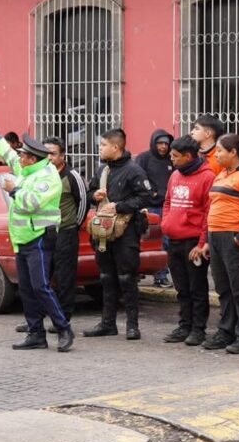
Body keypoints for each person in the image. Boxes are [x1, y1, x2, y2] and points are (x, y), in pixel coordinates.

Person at [0, 119, 73, 353]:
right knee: (27, 289)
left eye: (23, 156)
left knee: (41, 287)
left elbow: (32, 203)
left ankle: (64, 328)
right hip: (22, 238)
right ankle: (36, 333)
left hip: (39, 237)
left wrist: (15, 190)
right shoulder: (29, 170)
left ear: (32, 159)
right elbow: (9, 156)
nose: (18, 158)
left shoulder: (48, 176)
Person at [82, 128, 154, 341]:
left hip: (127, 232)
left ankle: (132, 326)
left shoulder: (134, 170)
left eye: (103, 145)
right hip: (104, 231)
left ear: (116, 147)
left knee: (126, 278)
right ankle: (107, 324)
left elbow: (146, 197)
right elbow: (89, 193)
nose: (100, 148)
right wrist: (94, 195)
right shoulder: (102, 170)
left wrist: (119, 206)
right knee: (106, 277)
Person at [197, 134, 239, 354]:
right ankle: (226, 331)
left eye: (219, 151)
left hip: (235, 236)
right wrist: (208, 241)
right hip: (216, 237)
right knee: (224, 288)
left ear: (233, 152)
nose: (216, 155)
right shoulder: (222, 174)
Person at [160, 135, 214, 346]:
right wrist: (166, 223)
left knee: (196, 287)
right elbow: (167, 202)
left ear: (188, 156)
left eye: (175, 156)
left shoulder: (207, 177)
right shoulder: (175, 175)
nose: (171, 159)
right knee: (181, 287)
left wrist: (201, 244)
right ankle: (184, 325)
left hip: (193, 242)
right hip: (174, 239)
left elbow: (209, 213)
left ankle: (198, 329)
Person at [37, 137, 87, 330]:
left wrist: (73, 226)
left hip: (65, 233)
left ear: (62, 156)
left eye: (53, 153)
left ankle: (62, 319)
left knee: (65, 278)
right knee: (40, 277)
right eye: (46, 154)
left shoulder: (71, 176)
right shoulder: (39, 175)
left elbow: (83, 202)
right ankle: (35, 318)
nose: (49, 158)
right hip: (44, 232)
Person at [135, 129, 175, 287]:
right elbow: (138, 178)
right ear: (153, 143)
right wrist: (151, 193)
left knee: (169, 242)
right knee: (156, 242)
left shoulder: (171, 159)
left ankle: (164, 274)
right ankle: (160, 276)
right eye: (160, 143)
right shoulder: (144, 158)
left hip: (169, 207)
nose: (163, 147)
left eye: (166, 143)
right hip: (151, 208)